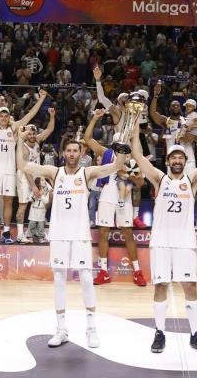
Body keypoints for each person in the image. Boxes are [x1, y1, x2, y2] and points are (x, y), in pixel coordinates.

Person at [16, 112, 127, 349]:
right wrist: (19, 138)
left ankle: (91, 328)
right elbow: (23, 165)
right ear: (63, 153)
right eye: (68, 151)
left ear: (81, 153)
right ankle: (61, 329)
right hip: (58, 234)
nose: (72, 154)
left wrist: (123, 146)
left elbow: (117, 166)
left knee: (86, 277)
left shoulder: (87, 173)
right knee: (59, 278)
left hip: (79, 234)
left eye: (76, 151)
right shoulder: (53, 172)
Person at [130, 117, 197, 355]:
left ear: (185, 161)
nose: (177, 160)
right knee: (160, 286)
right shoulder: (159, 178)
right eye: (173, 157)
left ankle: (195, 334)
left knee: (190, 286)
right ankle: (159, 332)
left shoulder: (192, 179)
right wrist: (135, 129)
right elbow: (137, 156)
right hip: (160, 242)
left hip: (184, 242)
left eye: (180, 157)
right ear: (168, 161)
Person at [84, 109, 146, 286]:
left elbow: (141, 183)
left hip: (123, 196)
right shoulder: (105, 153)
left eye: (123, 142)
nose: (120, 144)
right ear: (113, 143)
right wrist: (95, 118)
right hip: (107, 194)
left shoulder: (132, 157)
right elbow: (88, 139)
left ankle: (137, 271)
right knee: (103, 232)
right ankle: (103, 271)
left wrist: (128, 174)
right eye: (118, 142)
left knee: (128, 233)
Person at [0, 88, 47, 244]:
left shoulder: (13, 130)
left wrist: (41, 99)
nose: (4, 117)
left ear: (9, 117)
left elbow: (30, 115)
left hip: (9, 172)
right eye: (1, 115)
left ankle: (6, 232)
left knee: (7, 202)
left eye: (6, 115)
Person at [15, 109, 55, 243]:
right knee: (23, 204)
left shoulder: (37, 140)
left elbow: (50, 129)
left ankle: (41, 221)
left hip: (37, 174)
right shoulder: (24, 148)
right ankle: (20, 235)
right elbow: (25, 170)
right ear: (26, 134)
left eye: (34, 133)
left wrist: (52, 115)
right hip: (24, 176)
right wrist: (34, 186)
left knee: (51, 193)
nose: (32, 135)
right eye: (29, 133)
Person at [148, 82, 197, 174]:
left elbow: (195, 137)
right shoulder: (165, 121)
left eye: (177, 105)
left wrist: (190, 133)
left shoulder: (187, 121)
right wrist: (155, 96)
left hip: (188, 159)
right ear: (169, 108)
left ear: (180, 108)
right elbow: (152, 113)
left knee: (189, 185)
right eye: (173, 105)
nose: (175, 106)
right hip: (172, 160)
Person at [28, 177, 52, 243]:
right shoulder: (34, 190)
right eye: (42, 180)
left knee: (41, 226)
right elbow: (30, 199)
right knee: (32, 224)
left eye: (45, 180)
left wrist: (41, 195)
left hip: (41, 213)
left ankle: (40, 237)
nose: (44, 181)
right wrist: (37, 195)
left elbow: (46, 201)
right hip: (33, 212)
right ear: (38, 182)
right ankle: (30, 236)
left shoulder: (46, 191)